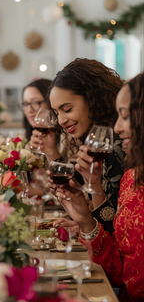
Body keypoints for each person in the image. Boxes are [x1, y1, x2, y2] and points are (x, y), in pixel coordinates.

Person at [55, 72, 144, 302]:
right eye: (56, 113)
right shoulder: (132, 179)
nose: (117, 127)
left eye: (125, 116)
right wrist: (85, 220)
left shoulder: (115, 151)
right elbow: (122, 271)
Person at [31, 58, 125, 234]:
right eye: (56, 112)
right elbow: (78, 191)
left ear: (93, 99)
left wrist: (88, 223)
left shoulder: (118, 145)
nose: (61, 120)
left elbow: (114, 227)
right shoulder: (93, 139)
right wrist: (51, 151)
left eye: (67, 109)